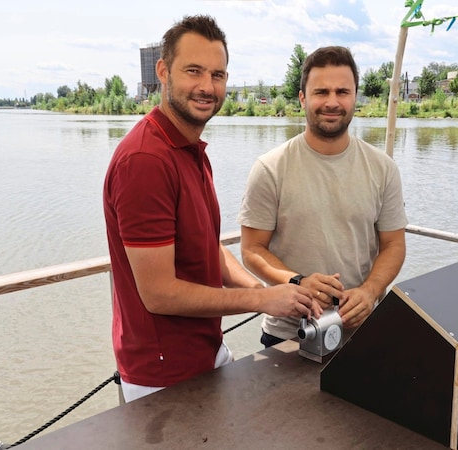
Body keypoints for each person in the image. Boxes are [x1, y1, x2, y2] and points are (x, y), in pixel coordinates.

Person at [102, 15, 315, 403]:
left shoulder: (189, 149)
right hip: (162, 377)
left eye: (217, 74)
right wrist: (262, 300)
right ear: (163, 72)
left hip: (206, 353)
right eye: (193, 71)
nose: (207, 86)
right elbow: (159, 294)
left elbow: (206, 248)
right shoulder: (146, 160)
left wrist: (266, 289)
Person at [237, 46, 408, 348]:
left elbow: (393, 244)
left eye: (342, 91)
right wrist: (298, 281)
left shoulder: (383, 168)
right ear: (302, 98)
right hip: (288, 336)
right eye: (321, 92)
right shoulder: (270, 168)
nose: (332, 102)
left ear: (356, 97)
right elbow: (252, 250)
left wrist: (369, 291)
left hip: (362, 333)